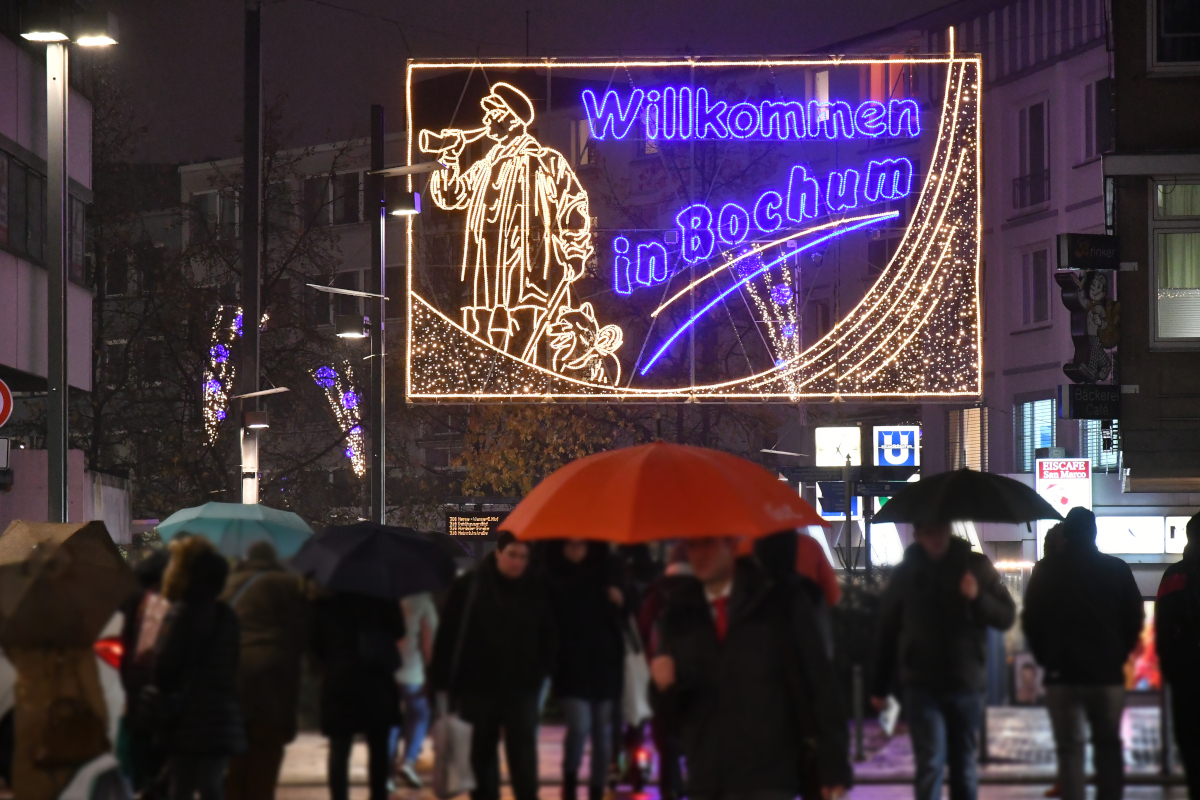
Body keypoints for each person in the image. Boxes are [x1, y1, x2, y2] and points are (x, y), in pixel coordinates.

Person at [649, 536, 852, 800]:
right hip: (708, 780)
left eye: (708, 543)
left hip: (768, 776)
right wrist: (663, 688)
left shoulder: (777, 601)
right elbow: (672, 717)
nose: (698, 555)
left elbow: (820, 682)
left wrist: (833, 765)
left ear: (731, 544)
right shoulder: (679, 612)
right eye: (691, 546)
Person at [871, 523, 1015, 800]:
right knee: (930, 764)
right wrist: (880, 686)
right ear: (917, 535)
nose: (934, 537)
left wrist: (977, 598)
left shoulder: (975, 566)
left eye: (938, 529)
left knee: (964, 768)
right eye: (927, 531)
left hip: (965, 682)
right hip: (921, 683)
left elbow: (1005, 615)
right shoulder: (907, 573)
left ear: (948, 529)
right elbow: (887, 631)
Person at [1022, 507, 1144, 800]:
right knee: (1108, 746)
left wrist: (1045, 658)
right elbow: (1134, 617)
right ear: (1094, 533)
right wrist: (1119, 653)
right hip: (1106, 673)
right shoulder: (1117, 569)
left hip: (1062, 674)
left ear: (1067, 534)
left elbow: (1032, 621)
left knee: (1070, 750)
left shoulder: (1047, 570)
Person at [429, 532, 556, 800]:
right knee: (482, 755)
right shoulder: (471, 587)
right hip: (479, 686)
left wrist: (540, 670)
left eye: (523, 557)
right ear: (498, 553)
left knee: (522, 755)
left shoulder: (536, 590)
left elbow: (550, 635)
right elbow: (450, 636)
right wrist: (441, 683)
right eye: (512, 555)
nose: (517, 562)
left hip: (521, 686)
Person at [153, 536, 247, 800]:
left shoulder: (180, 614)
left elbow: (164, 668)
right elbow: (233, 664)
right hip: (222, 713)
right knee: (211, 784)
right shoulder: (226, 616)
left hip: (186, 714)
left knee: (181, 785)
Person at [219, 541, 308, 800]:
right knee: (266, 750)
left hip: (232, 674)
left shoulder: (228, 585)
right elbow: (301, 632)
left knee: (235, 753)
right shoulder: (288, 584)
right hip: (273, 674)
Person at [547, 540, 625, 800]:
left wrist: (620, 599)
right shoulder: (553, 575)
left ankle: (596, 788)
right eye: (569, 542)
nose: (575, 546)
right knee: (580, 725)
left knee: (602, 731)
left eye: (581, 542)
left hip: (604, 664)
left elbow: (626, 614)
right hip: (571, 666)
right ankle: (569, 781)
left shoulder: (608, 570)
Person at [310, 590, 406, 800]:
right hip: (376, 679)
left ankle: (339, 796)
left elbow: (315, 643)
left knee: (339, 748)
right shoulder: (384, 598)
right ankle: (378, 795)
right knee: (378, 747)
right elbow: (399, 631)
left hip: (340, 679)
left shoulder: (327, 603)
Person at [118, 549, 171, 797]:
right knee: (156, 741)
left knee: (138, 736)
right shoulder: (164, 600)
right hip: (155, 681)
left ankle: (143, 783)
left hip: (131, 679)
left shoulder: (132, 597)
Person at [1157, 511, 1200, 799]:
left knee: (1190, 739)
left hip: (1186, 674)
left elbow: (1161, 626)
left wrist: (1168, 668)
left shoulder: (1175, 575)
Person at [390, 591, 438, 789]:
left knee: (388, 721)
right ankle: (408, 761)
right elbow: (430, 643)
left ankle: (386, 772)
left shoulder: (384, 595)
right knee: (420, 714)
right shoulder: (423, 601)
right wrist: (432, 673)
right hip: (413, 674)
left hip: (386, 673)